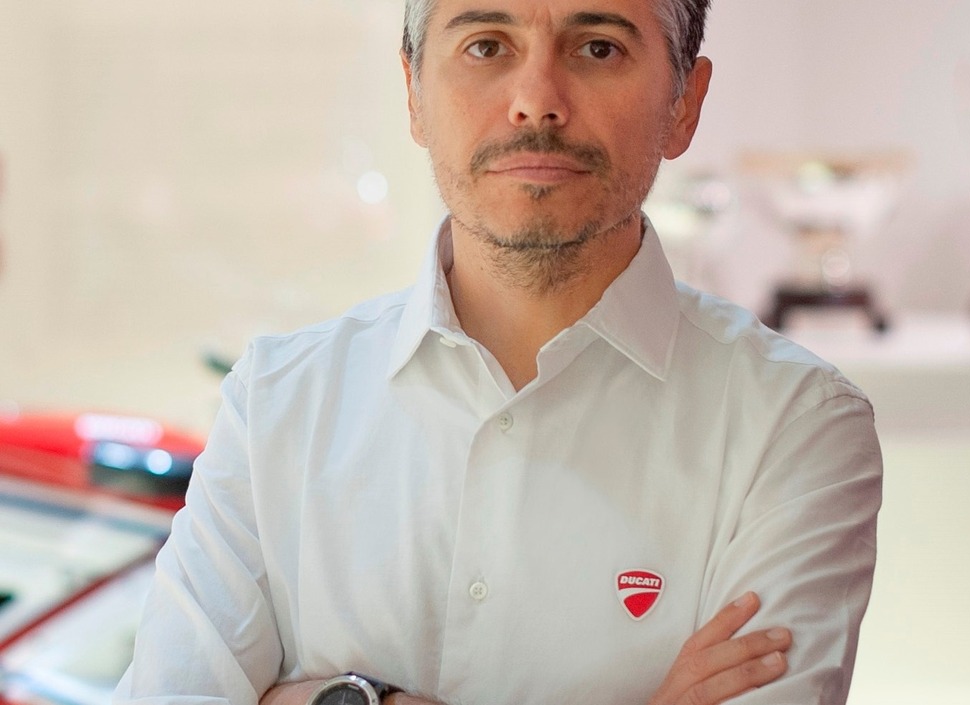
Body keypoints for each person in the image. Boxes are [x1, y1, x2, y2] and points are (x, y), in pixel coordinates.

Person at [114, 0, 882, 704]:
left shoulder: (794, 426)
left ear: (684, 103)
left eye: (598, 47)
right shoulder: (278, 402)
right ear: (413, 91)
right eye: (486, 46)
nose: (536, 100)